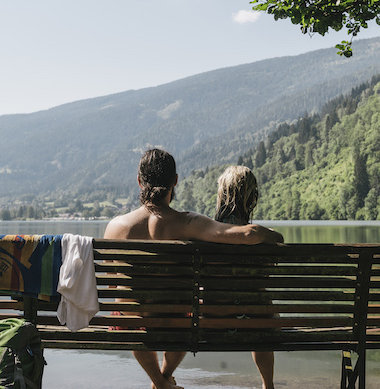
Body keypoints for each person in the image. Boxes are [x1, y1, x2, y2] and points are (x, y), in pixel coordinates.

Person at [104, 149, 283, 389]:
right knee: (189, 311)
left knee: (122, 305)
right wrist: (271, 234)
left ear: (139, 181)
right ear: (175, 181)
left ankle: (159, 381)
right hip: (174, 320)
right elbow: (246, 234)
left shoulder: (115, 227)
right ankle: (162, 378)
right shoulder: (188, 223)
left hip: (131, 322)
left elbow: (113, 285)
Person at [214, 165, 276, 389]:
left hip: (213, 320)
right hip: (258, 321)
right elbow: (279, 239)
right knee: (259, 306)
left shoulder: (207, 232)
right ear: (252, 198)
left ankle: (162, 379)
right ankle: (268, 385)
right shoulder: (261, 237)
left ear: (222, 196)